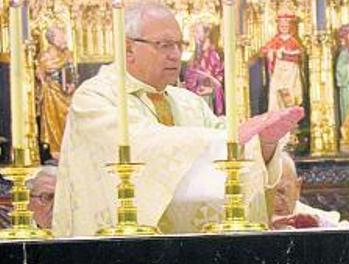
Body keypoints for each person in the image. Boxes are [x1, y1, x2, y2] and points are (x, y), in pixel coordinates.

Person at [53, 2, 304, 237]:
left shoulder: (189, 103)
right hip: (118, 250)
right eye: (164, 45)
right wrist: (233, 138)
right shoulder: (95, 97)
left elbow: (230, 152)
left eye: (179, 45)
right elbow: (140, 145)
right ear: (128, 48)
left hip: (191, 253)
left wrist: (264, 144)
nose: (176, 55)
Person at [37, 25, 77, 159]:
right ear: (52, 40)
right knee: (54, 121)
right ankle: (56, 150)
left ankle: (70, 147)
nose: (64, 39)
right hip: (52, 93)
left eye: (64, 36)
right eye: (61, 37)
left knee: (69, 118)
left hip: (67, 94)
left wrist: (72, 84)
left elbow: (74, 73)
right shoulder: (44, 57)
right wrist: (43, 85)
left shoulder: (67, 54)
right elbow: (40, 75)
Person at [261, 9, 305, 110]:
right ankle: (278, 112)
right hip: (279, 71)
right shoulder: (275, 40)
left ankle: (290, 112)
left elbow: (299, 53)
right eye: (281, 26)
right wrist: (272, 52)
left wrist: (287, 53)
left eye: (286, 26)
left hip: (291, 71)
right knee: (277, 91)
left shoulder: (293, 40)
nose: (284, 28)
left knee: (290, 91)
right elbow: (265, 50)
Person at [183, 22, 224, 115]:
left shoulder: (213, 55)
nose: (195, 35)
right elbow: (190, 74)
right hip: (196, 94)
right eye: (194, 32)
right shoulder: (195, 54)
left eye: (197, 32)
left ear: (206, 34)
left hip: (208, 94)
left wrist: (211, 89)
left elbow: (218, 76)